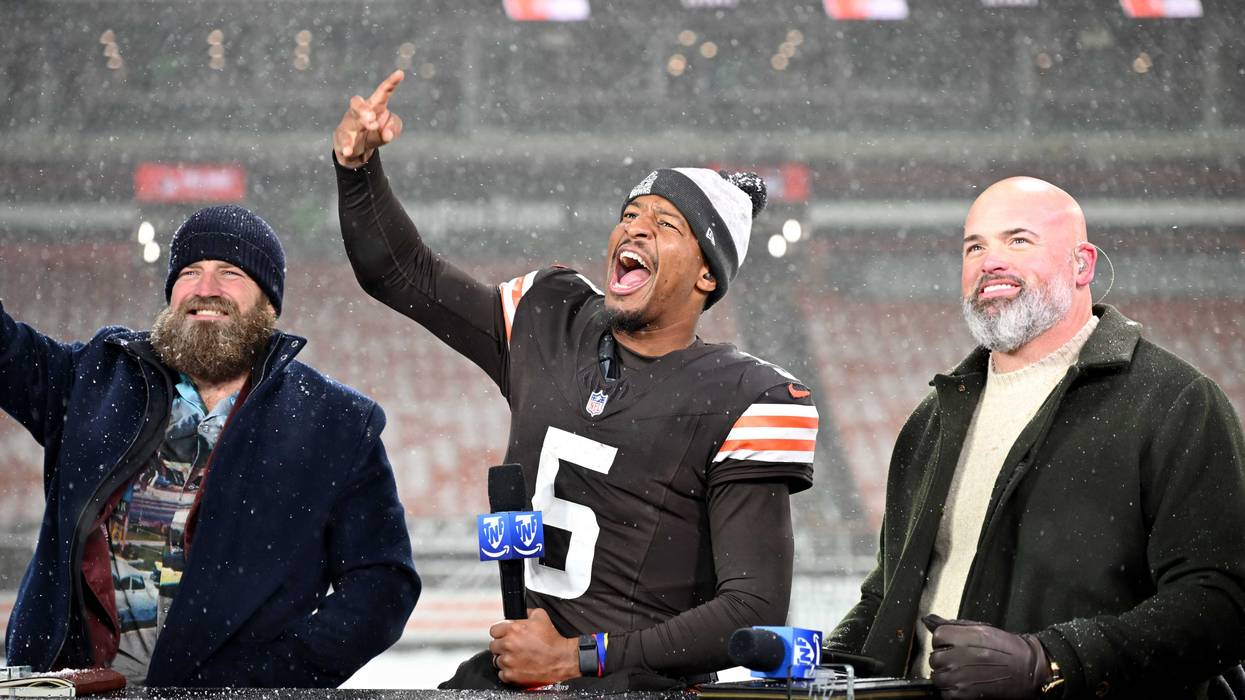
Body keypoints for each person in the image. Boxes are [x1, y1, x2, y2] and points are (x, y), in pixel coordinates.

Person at [333, 71, 818, 690]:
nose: (635, 228)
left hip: (641, 687)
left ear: (706, 275)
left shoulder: (742, 397)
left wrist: (579, 657)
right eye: (631, 215)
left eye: (667, 225)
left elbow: (754, 612)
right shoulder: (551, 318)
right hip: (523, 678)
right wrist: (358, 170)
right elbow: (404, 276)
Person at [826, 176, 1245, 698]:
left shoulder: (1176, 401)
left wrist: (1052, 664)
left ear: (1082, 265)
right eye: (975, 246)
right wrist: (821, 657)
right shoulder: (932, 420)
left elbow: (1221, 601)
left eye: (1018, 240)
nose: (990, 260)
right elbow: (889, 595)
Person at [0, 205, 420, 687]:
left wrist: (269, 679)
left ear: (269, 303)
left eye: (231, 273)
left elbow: (383, 584)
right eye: (190, 272)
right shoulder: (95, 375)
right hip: (69, 689)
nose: (206, 288)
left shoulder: (336, 423)